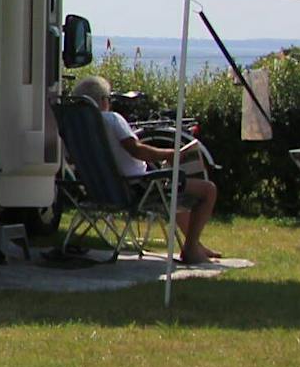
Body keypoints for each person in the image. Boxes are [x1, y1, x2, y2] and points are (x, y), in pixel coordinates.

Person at [74, 74, 223, 264]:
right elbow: (136, 149)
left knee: (172, 189)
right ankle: (191, 249)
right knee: (208, 189)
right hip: (136, 187)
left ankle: (193, 244)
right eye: (109, 99)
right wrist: (169, 154)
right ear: (103, 100)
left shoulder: (81, 126)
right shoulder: (111, 119)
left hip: (99, 188)